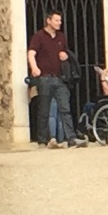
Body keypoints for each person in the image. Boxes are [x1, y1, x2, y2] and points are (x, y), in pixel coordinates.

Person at [26, 9, 72, 147]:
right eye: (57, 20)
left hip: (58, 78)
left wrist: (65, 56)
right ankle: (42, 140)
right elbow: (31, 53)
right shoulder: (39, 36)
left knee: (65, 108)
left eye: (60, 20)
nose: (59, 23)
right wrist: (34, 68)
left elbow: (64, 52)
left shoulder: (61, 37)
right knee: (44, 110)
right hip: (44, 78)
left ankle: (71, 138)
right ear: (48, 20)